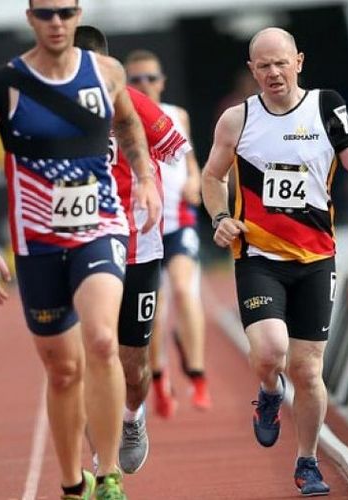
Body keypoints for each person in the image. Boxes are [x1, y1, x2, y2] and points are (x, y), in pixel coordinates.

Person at [0, 2, 161, 499]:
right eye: (45, 13)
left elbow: (131, 128)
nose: (56, 22)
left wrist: (147, 180)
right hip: (38, 241)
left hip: (100, 228)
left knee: (103, 342)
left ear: (76, 15)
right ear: (30, 18)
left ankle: (109, 476)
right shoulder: (1, 86)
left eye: (65, 12)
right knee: (64, 369)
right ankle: (73, 483)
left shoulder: (107, 73)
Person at [201, 27, 348, 496]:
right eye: (264, 66)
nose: (273, 73)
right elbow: (212, 178)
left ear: (299, 62)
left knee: (309, 370)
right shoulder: (237, 119)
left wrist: (344, 133)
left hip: (316, 257)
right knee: (271, 351)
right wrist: (219, 217)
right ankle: (269, 392)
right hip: (259, 255)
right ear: (252, 71)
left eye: (281, 62)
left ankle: (307, 461)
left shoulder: (325, 105)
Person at [73, 25, 190, 475]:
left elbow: (176, 151)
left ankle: (131, 417)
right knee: (94, 351)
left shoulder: (132, 101)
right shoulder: (49, 103)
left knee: (133, 361)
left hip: (139, 241)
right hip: (83, 241)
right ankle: (102, 460)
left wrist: (154, 182)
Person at [125, 49, 211, 416]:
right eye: (136, 80)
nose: (144, 85)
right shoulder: (121, 118)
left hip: (177, 221)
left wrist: (194, 180)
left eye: (150, 78)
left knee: (183, 287)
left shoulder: (177, 116)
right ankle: (159, 378)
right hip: (143, 229)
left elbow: (190, 161)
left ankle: (197, 374)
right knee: (155, 311)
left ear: (162, 82)